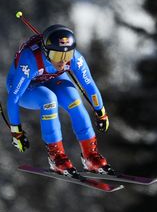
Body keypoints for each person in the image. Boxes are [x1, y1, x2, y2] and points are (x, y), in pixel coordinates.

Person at [6, 24, 113, 176]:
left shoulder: (74, 58)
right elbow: (14, 97)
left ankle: (90, 155)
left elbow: (89, 86)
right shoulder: (31, 59)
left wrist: (100, 111)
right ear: (45, 51)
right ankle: (56, 158)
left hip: (51, 78)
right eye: (57, 56)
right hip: (26, 87)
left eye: (67, 56)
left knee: (74, 99)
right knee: (49, 100)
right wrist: (16, 131)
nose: (62, 62)